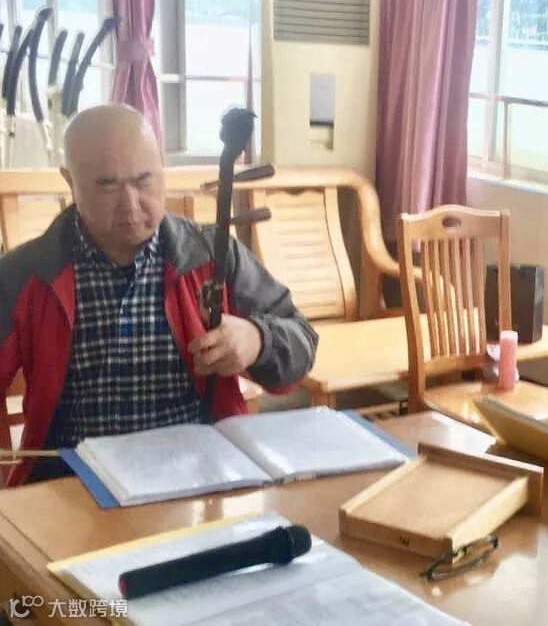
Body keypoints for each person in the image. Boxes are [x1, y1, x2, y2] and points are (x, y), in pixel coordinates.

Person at [0, 105, 318, 486]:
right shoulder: (28, 273)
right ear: (70, 181)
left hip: (198, 475)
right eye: (107, 185)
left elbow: (302, 340)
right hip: (71, 480)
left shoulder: (211, 256)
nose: (131, 205)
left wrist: (257, 340)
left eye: (144, 180)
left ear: (162, 168)